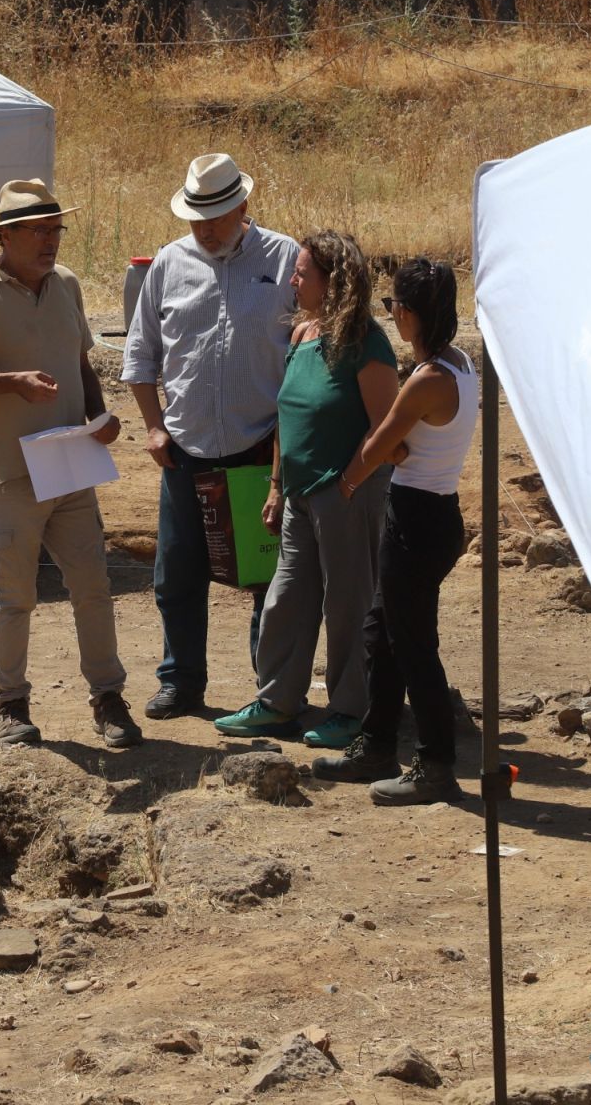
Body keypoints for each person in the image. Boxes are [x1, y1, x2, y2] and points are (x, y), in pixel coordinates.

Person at [0, 179, 142, 750]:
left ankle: (108, 698)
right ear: (4, 235)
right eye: (38, 231)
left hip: (70, 462)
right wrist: (9, 383)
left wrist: (100, 416)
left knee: (93, 585)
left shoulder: (64, 284)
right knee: (16, 595)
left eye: (56, 230)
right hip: (10, 473)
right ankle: (11, 704)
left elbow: (81, 363)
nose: (51, 241)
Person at [122, 154, 301, 721]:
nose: (206, 229)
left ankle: (270, 690)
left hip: (260, 447)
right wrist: (153, 426)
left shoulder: (286, 259)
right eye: (197, 218)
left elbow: (311, 347)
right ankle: (181, 682)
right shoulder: (169, 264)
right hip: (185, 447)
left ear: (243, 207)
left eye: (218, 217)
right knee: (176, 573)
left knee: (265, 577)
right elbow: (141, 353)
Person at [215, 230, 397, 749]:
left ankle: (350, 710)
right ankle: (277, 702)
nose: (292, 281)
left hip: (349, 494)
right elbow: (287, 418)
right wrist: (276, 487)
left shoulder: (367, 342)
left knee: (349, 605)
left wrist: (348, 483)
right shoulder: (303, 335)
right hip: (300, 494)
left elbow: (386, 427)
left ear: (333, 281)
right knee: (287, 599)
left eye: (302, 273)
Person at [314, 258, 476, 804]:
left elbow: (379, 446)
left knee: (412, 646)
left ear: (407, 313)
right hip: (432, 514)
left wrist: (345, 484)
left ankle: (435, 764)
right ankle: (377, 743)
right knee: (382, 634)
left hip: (416, 519)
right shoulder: (458, 365)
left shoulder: (427, 379)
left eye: (392, 308)